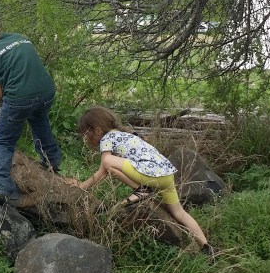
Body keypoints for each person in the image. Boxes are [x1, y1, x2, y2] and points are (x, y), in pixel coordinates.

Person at [67, 106, 216, 257]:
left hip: (150, 175)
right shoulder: (125, 134)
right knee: (179, 212)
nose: (85, 139)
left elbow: (103, 168)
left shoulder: (107, 138)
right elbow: (110, 171)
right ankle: (206, 246)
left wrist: (82, 185)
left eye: (86, 134)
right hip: (166, 175)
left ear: (98, 130)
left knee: (107, 162)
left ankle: (143, 190)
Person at [0, 17, 62, 204]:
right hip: (47, 93)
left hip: (19, 98)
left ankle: (1, 188)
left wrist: (8, 106)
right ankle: (53, 164)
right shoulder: (20, 38)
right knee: (40, 122)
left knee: (3, 141)